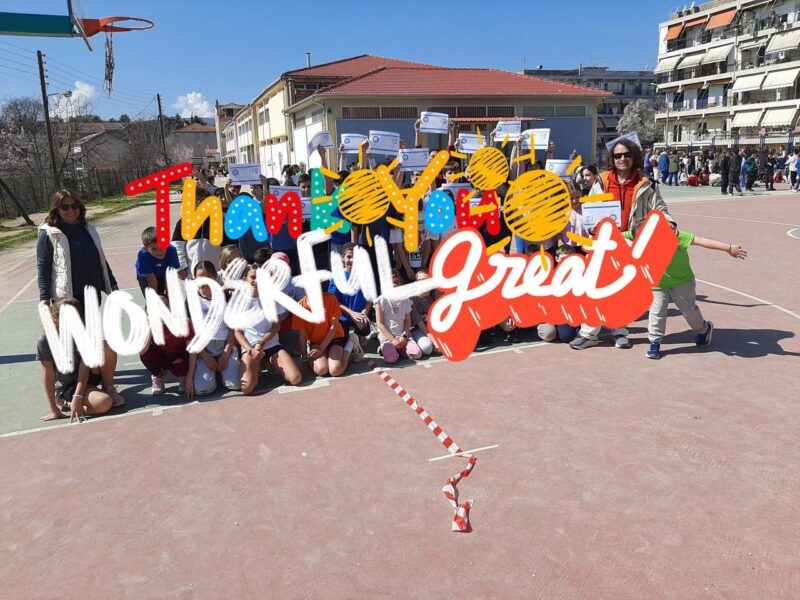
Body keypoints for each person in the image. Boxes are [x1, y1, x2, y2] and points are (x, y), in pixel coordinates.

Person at [570, 138, 674, 351]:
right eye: (618, 155)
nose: (622, 158)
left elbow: (659, 208)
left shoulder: (645, 183)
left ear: (634, 156)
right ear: (612, 158)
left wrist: (669, 223)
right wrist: (591, 226)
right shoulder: (602, 180)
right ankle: (589, 333)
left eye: (626, 154)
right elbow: (591, 207)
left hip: (630, 242)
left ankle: (619, 331)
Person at [622, 223, 747, 359]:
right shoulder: (638, 233)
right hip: (656, 284)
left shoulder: (676, 236)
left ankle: (704, 329)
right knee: (656, 313)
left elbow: (700, 240)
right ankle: (654, 342)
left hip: (682, 282)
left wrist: (728, 248)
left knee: (689, 311)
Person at [37, 297, 124, 421]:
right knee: (104, 403)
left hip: (86, 376)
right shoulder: (45, 341)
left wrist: (78, 396)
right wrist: (53, 409)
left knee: (106, 347)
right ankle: (65, 402)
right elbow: (48, 374)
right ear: (55, 317)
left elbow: (85, 367)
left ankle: (108, 388)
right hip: (68, 386)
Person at [37, 189, 118, 310]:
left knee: (92, 323)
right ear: (57, 209)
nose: (71, 211)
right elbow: (43, 268)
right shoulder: (49, 233)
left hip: (93, 293)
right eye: (65, 207)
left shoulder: (88, 228)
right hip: (68, 298)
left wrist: (113, 284)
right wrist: (44, 298)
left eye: (75, 206)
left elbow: (100, 259)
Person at [235, 264, 302, 394]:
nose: (256, 281)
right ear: (245, 279)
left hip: (271, 345)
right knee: (247, 389)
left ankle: (271, 364)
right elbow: (237, 332)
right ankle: (256, 367)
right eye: (252, 277)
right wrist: (250, 350)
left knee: (296, 378)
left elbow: (276, 326)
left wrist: (261, 342)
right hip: (250, 348)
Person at [185, 261, 242, 397]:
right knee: (203, 390)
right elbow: (191, 336)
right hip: (204, 349)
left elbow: (232, 329)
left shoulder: (226, 296)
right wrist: (205, 356)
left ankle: (225, 369)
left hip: (225, 346)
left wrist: (226, 354)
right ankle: (210, 370)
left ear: (215, 276)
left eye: (208, 277)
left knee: (235, 385)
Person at [293, 282, 352, 377]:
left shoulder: (331, 298)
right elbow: (302, 335)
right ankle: (320, 353)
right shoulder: (300, 307)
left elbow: (334, 326)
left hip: (335, 337)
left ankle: (350, 344)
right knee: (321, 370)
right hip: (316, 341)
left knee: (335, 370)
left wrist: (321, 349)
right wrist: (304, 359)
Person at [140, 294, 191, 395]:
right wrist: (150, 327)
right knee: (146, 353)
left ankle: (183, 376)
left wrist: (189, 376)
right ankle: (157, 376)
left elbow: (192, 349)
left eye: (166, 304)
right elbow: (142, 351)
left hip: (179, 358)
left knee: (180, 364)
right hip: (162, 359)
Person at [328, 243, 372, 361]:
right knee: (340, 341)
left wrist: (364, 312)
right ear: (343, 258)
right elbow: (333, 301)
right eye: (349, 257)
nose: (352, 260)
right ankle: (352, 340)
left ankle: (357, 336)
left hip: (358, 315)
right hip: (343, 316)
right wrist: (351, 313)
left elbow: (370, 298)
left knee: (364, 328)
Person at [375, 268, 423, 363]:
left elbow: (407, 321)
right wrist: (393, 340)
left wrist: (404, 336)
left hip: (402, 335)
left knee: (417, 354)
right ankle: (385, 349)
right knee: (391, 359)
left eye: (396, 282)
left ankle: (397, 349)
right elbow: (380, 324)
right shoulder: (381, 301)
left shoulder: (405, 300)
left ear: (400, 283)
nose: (393, 285)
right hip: (388, 337)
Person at [136, 226, 182, 296]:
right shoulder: (143, 255)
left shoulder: (171, 251)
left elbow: (170, 278)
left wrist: (168, 297)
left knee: (169, 296)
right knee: (152, 297)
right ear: (146, 248)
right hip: (146, 277)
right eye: (154, 249)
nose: (159, 251)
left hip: (165, 273)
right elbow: (151, 280)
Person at [409, 269, 436, 356]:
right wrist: (434, 340)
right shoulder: (412, 299)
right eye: (420, 280)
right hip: (419, 329)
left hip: (434, 328)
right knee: (427, 348)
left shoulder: (435, 295)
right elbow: (420, 323)